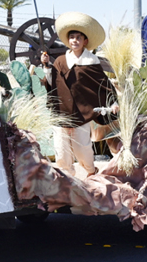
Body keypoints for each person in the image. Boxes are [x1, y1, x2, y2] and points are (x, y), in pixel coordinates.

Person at [40, 12, 117, 178]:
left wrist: (113, 103)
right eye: (71, 37)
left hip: (81, 113)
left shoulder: (91, 62)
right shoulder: (60, 61)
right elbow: (52, 83)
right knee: (62, 150)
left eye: (78, 37)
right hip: (61, 112)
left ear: (85, 41)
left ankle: (91, 172)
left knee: (82, 148)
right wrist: (46, 65)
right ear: (68, 40)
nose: (74, 40)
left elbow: (104, 85)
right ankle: (66, 180)